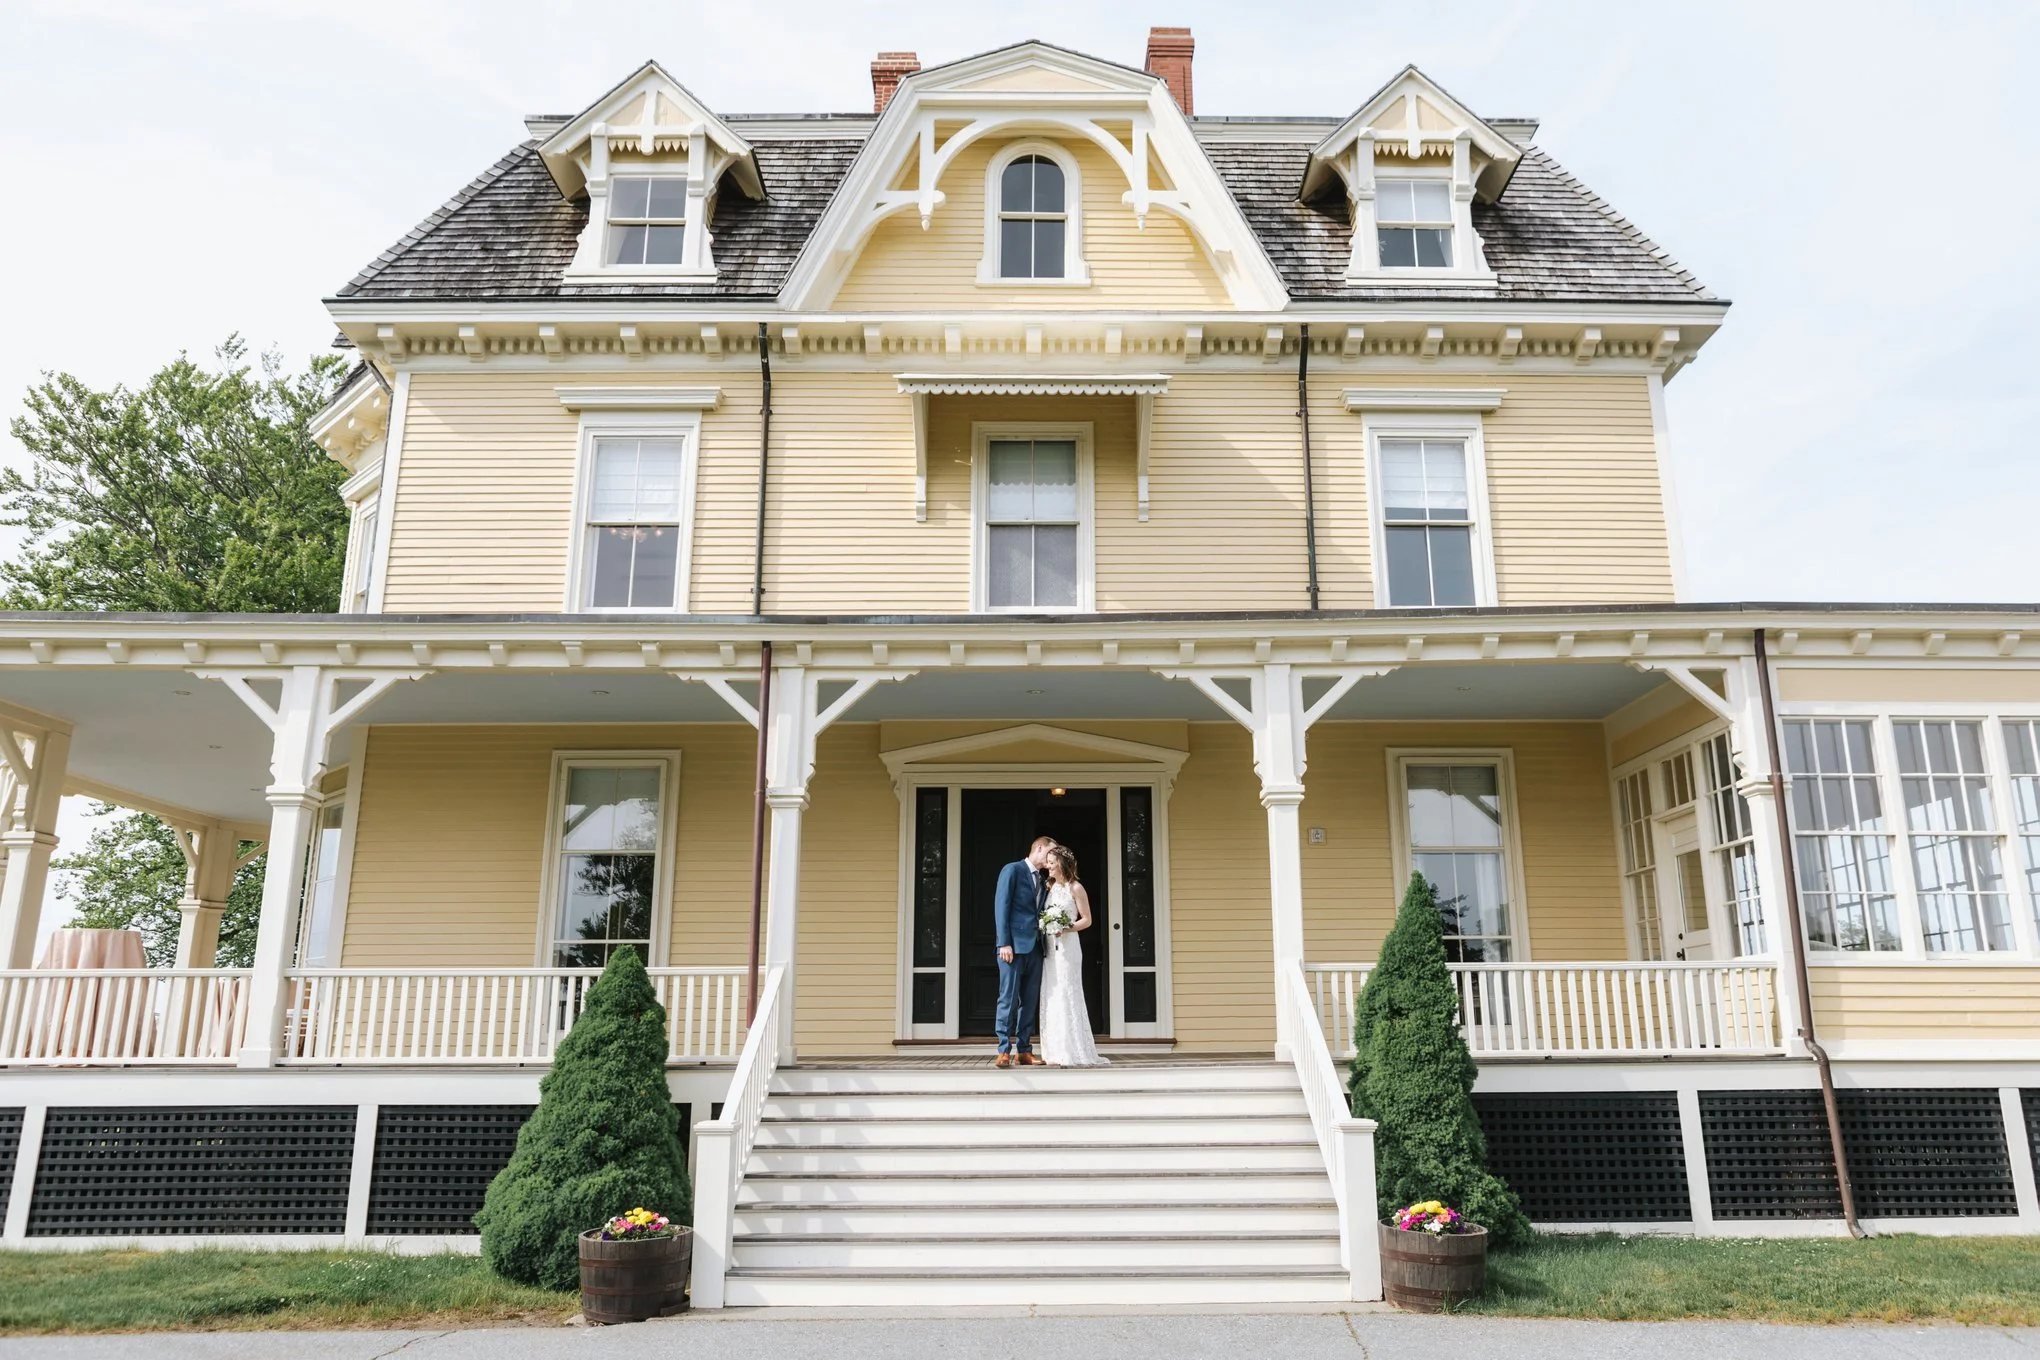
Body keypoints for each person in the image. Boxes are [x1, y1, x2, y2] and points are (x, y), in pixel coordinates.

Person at [1038, 844, 1108, 1067]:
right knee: (1051, 993)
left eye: (1051, 862)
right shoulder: (1049, 887)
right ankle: (1052, 1051)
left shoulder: (1075, 888)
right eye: (1047, 861)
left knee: (1067, 992)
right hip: (1050, 948)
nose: (1048, 866)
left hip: (1068, 947)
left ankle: (1071, 1050)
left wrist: (1066, 927)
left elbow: (1086, 919)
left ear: (1062, 863)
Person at [992, 835, 1056, 1068]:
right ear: (1039, 848)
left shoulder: (1044, 879)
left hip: (1036, 948)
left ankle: (1024, 1050)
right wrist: (1004, 943)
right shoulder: (1012, 870)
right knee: (1008, 998)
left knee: (1029, 1001)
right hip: (1013, 947)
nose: (1052, 857)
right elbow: (1002, 906)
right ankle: (1003, 1050)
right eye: (1050, 852)